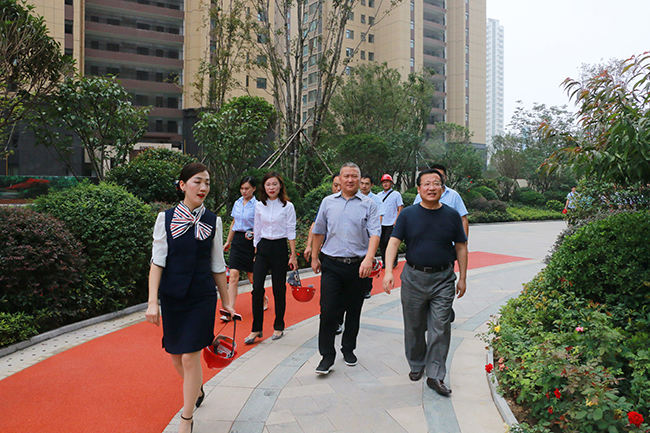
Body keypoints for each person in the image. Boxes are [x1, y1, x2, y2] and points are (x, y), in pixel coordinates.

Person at [146, 162, 235, 433]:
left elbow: (217, 265)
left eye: (207, 182)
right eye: (198, 181)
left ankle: (186, 419)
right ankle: (196, 388)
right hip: (173, 297)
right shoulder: (165, 218)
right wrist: (152, 302)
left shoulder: (214, 221)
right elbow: (157, 262)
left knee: (189, 357)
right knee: (176, 356)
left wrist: (226, 301)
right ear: (183, 185)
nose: (203, 187)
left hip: (201, 296)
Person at [382, 168, 468, 397]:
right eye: (427, 184)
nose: (432, 187)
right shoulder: (408, 214)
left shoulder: (451, 215)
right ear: (419, 189)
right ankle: (416, 363)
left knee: (441, 327)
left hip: (443, 279)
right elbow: (393, 243)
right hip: (413, 278)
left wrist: (463, 278)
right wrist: (388, 271)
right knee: (415, 326)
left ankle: (435, 374)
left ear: (442, 188)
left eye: (436, 183)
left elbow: (461, 247)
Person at [311, 162, 381, 375]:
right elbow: (319, 230)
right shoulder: (328, 202)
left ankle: (348, 349)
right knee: (328, 310)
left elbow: (375, 233)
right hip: (331, 264)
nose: (350, 180)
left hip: (358, 266)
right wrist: (314, 257)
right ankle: (326, 356)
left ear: (360, 179)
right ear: (339, 179)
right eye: (346, 176)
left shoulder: (369, 204)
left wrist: (369, 258)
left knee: (353, 309)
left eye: (354, 176)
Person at [245, 171, 298, 344]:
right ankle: (256, 328)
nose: (271, 187)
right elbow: (257, 228)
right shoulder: (260, 205)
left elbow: (291, 231)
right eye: (268, 184)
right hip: (263, 248)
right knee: (257, 288)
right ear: (264, 187)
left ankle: (279, 325)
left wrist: (293, 255)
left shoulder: (288, 206)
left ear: (280, 186)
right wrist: (256, 251)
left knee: (278, 288)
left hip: (280, 248)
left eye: (275, 184)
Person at [223, 176, 267, 319]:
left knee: (253, 278)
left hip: (251, 242)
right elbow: (234, 222)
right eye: (242, 188)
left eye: (247, 188)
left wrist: (255, 234)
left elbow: (263, 225)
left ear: (254, 189)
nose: (244, 191)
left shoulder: (258, 205)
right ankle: (230, 309)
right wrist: (228, 241)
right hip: (237, 241)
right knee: (233, 276)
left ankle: (263, 297)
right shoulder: (237, 203)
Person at [413, 164, 469, 238]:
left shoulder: (454, 195)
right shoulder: (420, 196)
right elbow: (414, 218)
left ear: (445, 178)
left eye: (440, 176)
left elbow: (463, 219)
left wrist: (464, 240)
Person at [360, 174, 385, 298]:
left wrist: (374, 235)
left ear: (372, 185)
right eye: (362, 183)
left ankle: (367, 288)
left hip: (369, 237)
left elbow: (379, 218)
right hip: (356, 236)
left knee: (368, 260)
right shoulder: (354, 197)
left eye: (367, 184)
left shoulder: (376, 200)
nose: (364, 186)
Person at [376, 173, 403, 268]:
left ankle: (393, 261)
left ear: (391, 183)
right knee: (382, 243)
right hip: (381, 223)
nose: (385, 184)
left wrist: (397, 220)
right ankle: (385, 262)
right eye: (384, 182)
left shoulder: (396, 194)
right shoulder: (378, 195)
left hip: (391, 223)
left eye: (387, 182)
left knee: (389, 243)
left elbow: (400, 207)